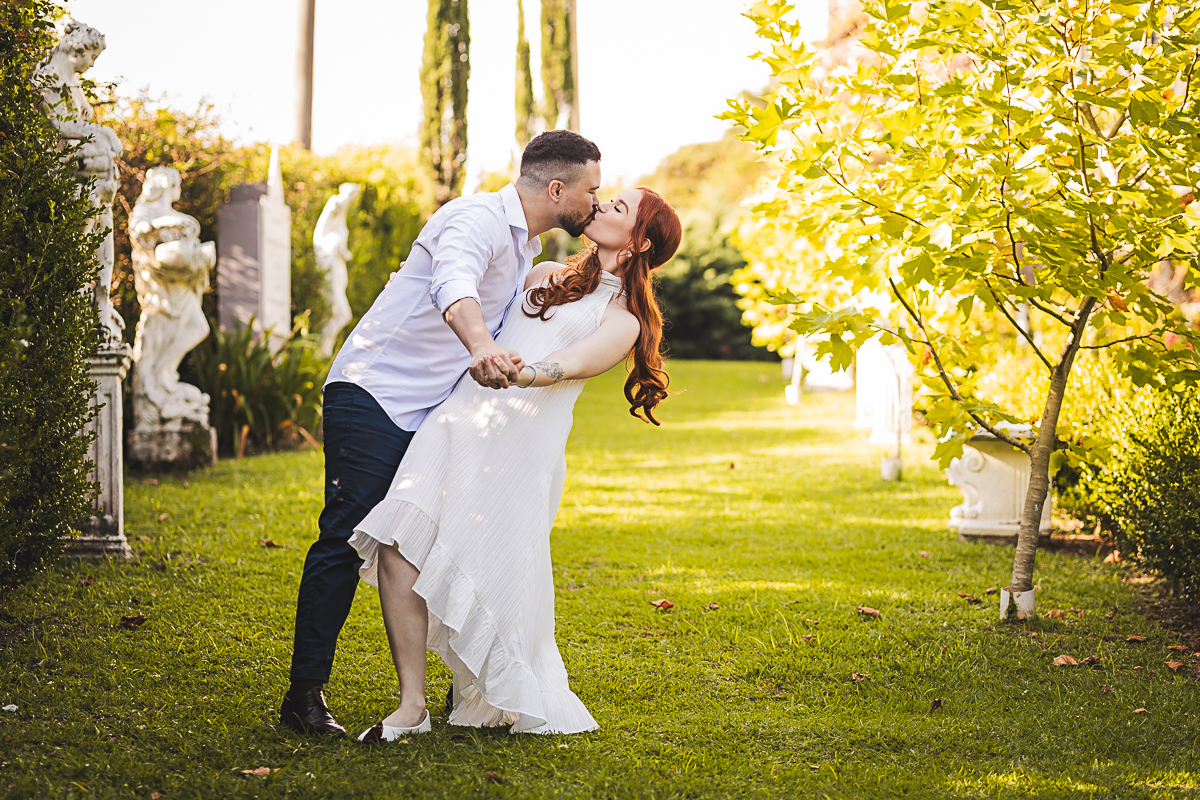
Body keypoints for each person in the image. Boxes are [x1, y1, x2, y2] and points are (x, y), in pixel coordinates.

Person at [280, 131, 602, 738]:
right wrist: (480, 345)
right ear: (558, 189)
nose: (596, 202)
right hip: (375, 394)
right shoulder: (475, 218)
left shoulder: (527, 249)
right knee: (344, 537)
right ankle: (303, 695)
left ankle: (464, 684)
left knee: (445, 537)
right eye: (592, 190)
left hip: (436, 415)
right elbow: (452, 284)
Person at [350, 187, 682, 740]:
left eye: (619, 208)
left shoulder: (622, 319)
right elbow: (475, 309)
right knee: (398, 540)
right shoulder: (545, 274)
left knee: (490, 564)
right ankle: (412, 706)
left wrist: (516, 372)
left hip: (520, 451)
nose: (602, 206)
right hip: (457, 421)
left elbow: (571, 362)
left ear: (640, 242)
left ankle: (489, 684)